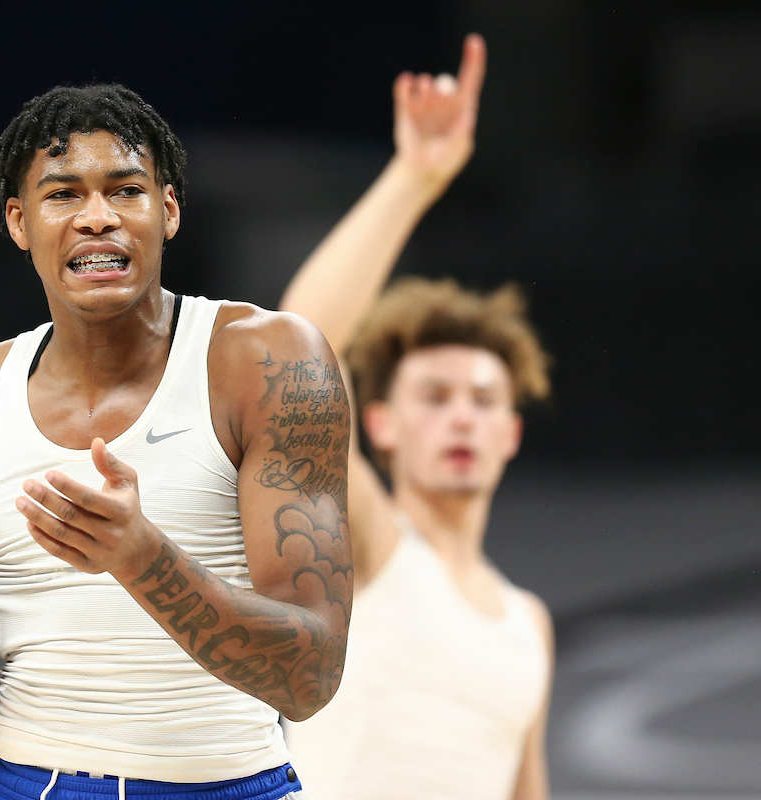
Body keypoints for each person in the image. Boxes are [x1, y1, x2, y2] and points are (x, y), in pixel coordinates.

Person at [0, 84, 353, 800]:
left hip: (230, 783)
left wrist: (142, 558)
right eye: (63, 195)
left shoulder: (267, 361)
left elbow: (309, 678)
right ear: (18, 221)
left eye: (124, 189)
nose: (97, 218)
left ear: (169, 209)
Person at [280, 36, 555, 800]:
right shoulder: (370, 546)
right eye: (434, 398)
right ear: (381, 427)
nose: (461, 419)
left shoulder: (528, 624)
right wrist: (415, 177)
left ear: (511, 434)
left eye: (483, 401)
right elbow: (301, 349)